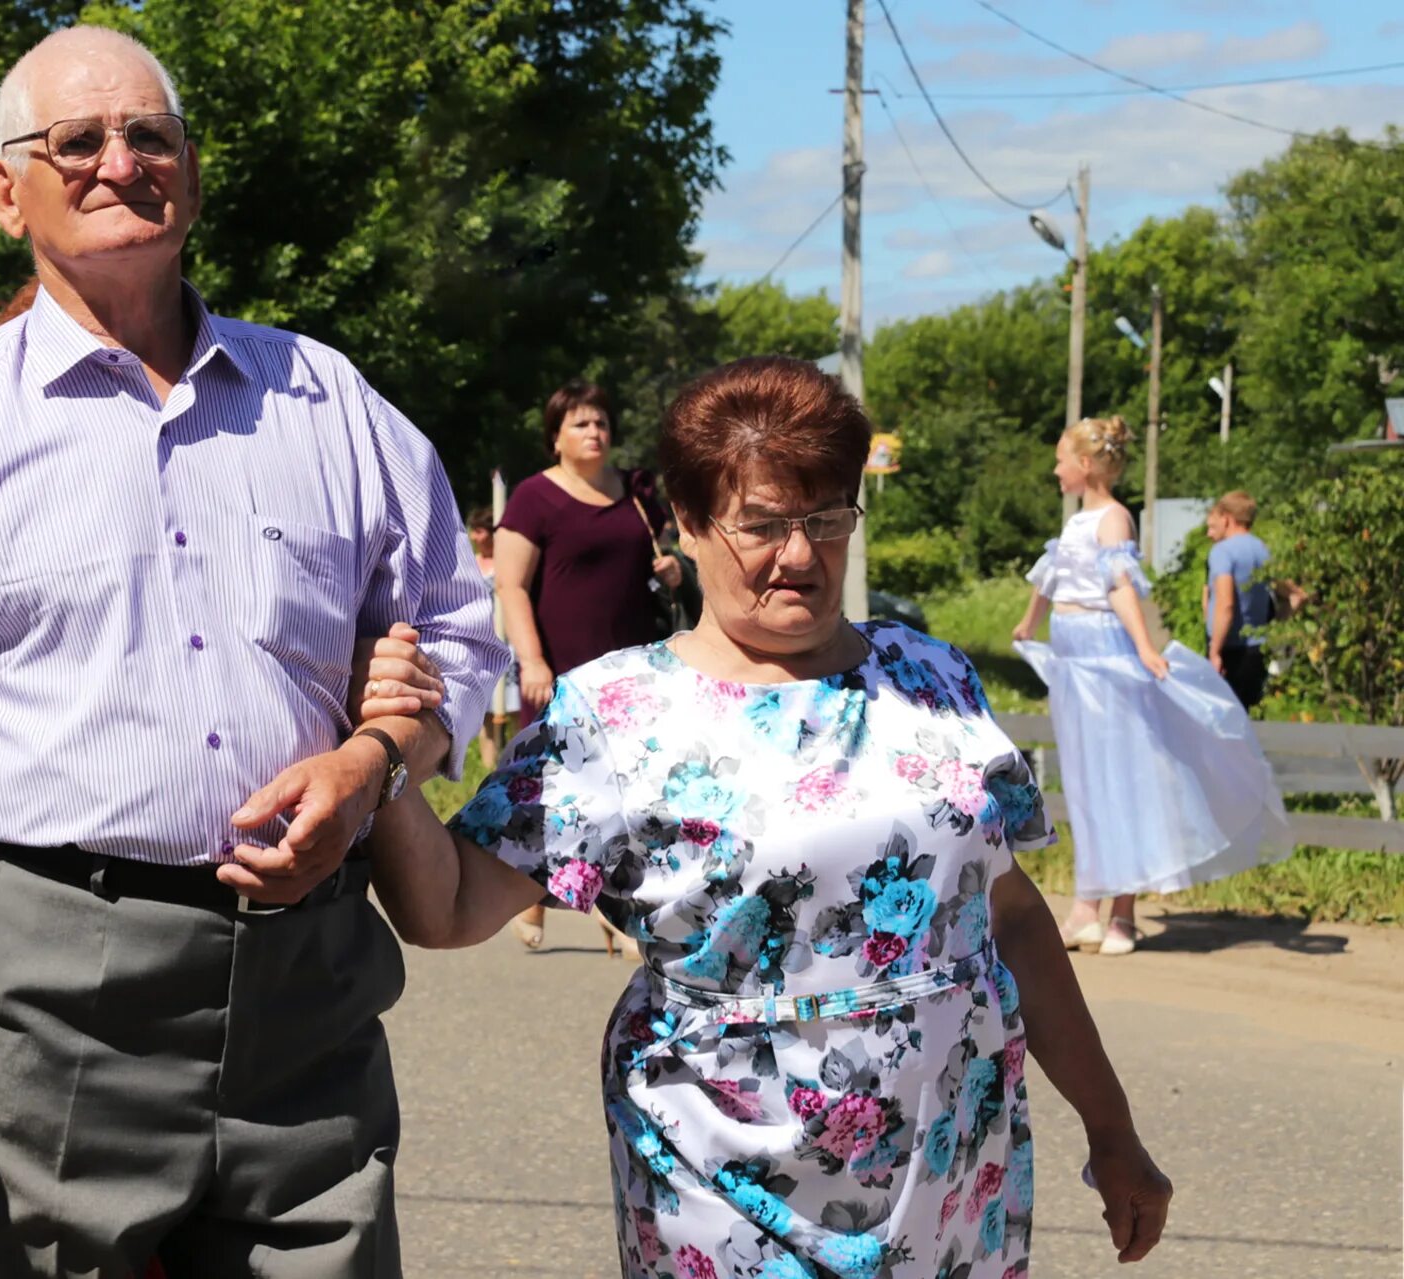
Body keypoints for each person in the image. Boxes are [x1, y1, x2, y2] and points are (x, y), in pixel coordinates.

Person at [0, 26, 502, 1279]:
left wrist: (379, 757)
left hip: (307, 991)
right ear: (9, 193)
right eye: (76, 141)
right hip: (49, 990)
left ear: (192, 173)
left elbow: (454, 627)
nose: (120, 162)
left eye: (148, 135)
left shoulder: (324, 400)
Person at [362, 357, 1172, 1278]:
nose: (801, 554)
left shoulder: (933, 676)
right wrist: (385, 754)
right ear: (690, 524)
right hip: (724, 1182)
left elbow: (1014, 915)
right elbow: (449, 908)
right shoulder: (619, 713)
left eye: (826, 520)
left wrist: (1113, 1130)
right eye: (763, 524)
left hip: (951, 1171)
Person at [1012, 418, 1289, 956]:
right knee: (1088, 783)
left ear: (1085, 465)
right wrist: (1030, 621)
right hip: (1072, 656)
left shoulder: (1114, 519)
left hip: (1106, 654)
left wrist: (1142, 646)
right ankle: (1086, 909)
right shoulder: (1076, 522)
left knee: (1125, 779)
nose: (1055, 468)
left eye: (1061, 457)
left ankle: (1123, 914)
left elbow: (1119, 587)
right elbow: (1051, 578)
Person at [496, 379, 680, 950]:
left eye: (600, 422)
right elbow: (512, 585)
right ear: (556, 438)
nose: (594, 432)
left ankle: (614, 902)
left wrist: (673, 568)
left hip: (632, 670)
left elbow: (665, 552)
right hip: (559, 671)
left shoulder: (636, 492)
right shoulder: (534, 497)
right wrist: (531, 659)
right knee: (560, 791)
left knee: (633, 787)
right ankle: (535, 895)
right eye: (579, 424)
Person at [1203, 491, 1272, 710]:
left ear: (1226, 518)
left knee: (1224, 720)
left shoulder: (1222, 551)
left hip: (1230, 649)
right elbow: (1293, 595)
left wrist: (1215, 651)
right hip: (1258, 647)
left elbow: (1226, 604)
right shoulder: (1262, 549)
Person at [467, 505, 521, 770]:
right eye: (473, 532)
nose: (475, 538)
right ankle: (488, 767)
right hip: (480, 644)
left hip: (507, 641)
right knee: (485, 711)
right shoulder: (470, 562)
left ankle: (518, 761)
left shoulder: (506, 563)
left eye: (479, 531)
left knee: (513, 709)